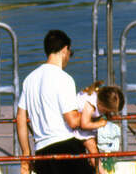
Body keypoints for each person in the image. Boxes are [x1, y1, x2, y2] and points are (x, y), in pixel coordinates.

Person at [16, 29, 91, 174]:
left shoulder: (29, 80)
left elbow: (20, 119)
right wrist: (92, 115)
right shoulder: (64, 78)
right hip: (66, 147)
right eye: (70, 53)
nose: (69, 57)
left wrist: (26, 154)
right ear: (64, 50)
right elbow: (73, 121)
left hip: (42, 152)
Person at [72, 84, 125, 174]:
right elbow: (84, 124)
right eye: (106, 110)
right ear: (101, 104)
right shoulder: (90, 104)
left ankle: (98, 169)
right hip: (76, 127)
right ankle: (101, 171)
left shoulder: (98, 99)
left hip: (82, 126)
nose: (106, 113)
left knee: (96, 148)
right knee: (93, 150)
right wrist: (100, 124)